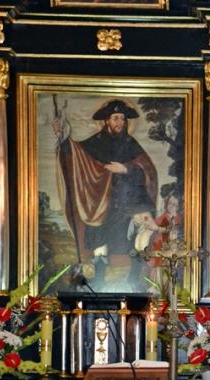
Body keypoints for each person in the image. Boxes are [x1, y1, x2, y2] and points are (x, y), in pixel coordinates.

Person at [54, 99, 158, 288]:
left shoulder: (130, 143)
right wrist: (62, 137)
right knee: (99, 246)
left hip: (125, 206)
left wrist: (125, 169)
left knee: (128, 245)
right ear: (107, 121)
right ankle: (97, 282)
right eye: (115, 118)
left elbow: (148, 171)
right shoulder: (96, 142)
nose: (120, 122)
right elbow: (76, 155)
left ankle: (131, 283)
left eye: (123, 118)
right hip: (100, 205)